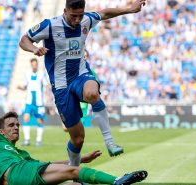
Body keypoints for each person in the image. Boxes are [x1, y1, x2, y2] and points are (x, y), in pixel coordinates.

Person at [19, 0, 147, 166]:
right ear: (65, 11)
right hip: (61, 87)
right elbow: (24, 40)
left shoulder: (86, 19)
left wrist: (129, 9)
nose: (77, 20)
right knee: (78, 139)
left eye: (80, 15)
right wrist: (34, 49)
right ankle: (74, 171)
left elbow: (105, 13)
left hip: (81, 75)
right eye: (73, 16)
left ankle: (109, 141)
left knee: (92, 93)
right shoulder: (49, 25)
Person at [0, 111, 148, 185]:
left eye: (18, 125)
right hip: (13, 174)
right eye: (11, 125)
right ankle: (117, 181)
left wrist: (81, 159)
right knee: (74, 175)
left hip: (23, 170)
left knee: (75, 178)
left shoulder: (19, 152)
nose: (16, 128)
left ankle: (114, 181)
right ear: (2, 130)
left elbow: (45, 164)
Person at [17, 58, 47, 147]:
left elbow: (46, 85)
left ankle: (38, 140)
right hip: (29, 101)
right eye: (32, 64)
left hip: (39, 102)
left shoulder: (42, 74)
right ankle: (27, 140)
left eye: (35, 64)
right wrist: (20, 88)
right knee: (25, 118)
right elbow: (25, 86)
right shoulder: (27, 74)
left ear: (37, 65)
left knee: (40, 121)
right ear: (31, 65)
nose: (34, 66)